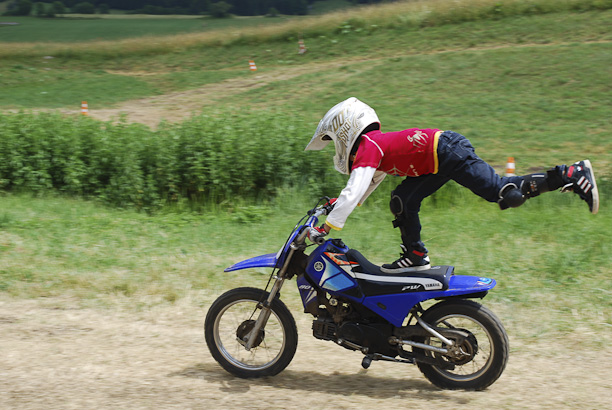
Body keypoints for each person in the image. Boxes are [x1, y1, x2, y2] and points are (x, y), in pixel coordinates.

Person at [305, 97, 599, 273]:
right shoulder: (374, 150)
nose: (335, 149)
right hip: (436, 161)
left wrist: (327, 227)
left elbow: (354, 188)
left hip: (447, 150)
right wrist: (335, 207)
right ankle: (416, 256)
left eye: (333, 141)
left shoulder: (369, 145)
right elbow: (363, 190)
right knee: (402, 200)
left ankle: (570, 173)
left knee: (504, 193)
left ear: (345, 131)